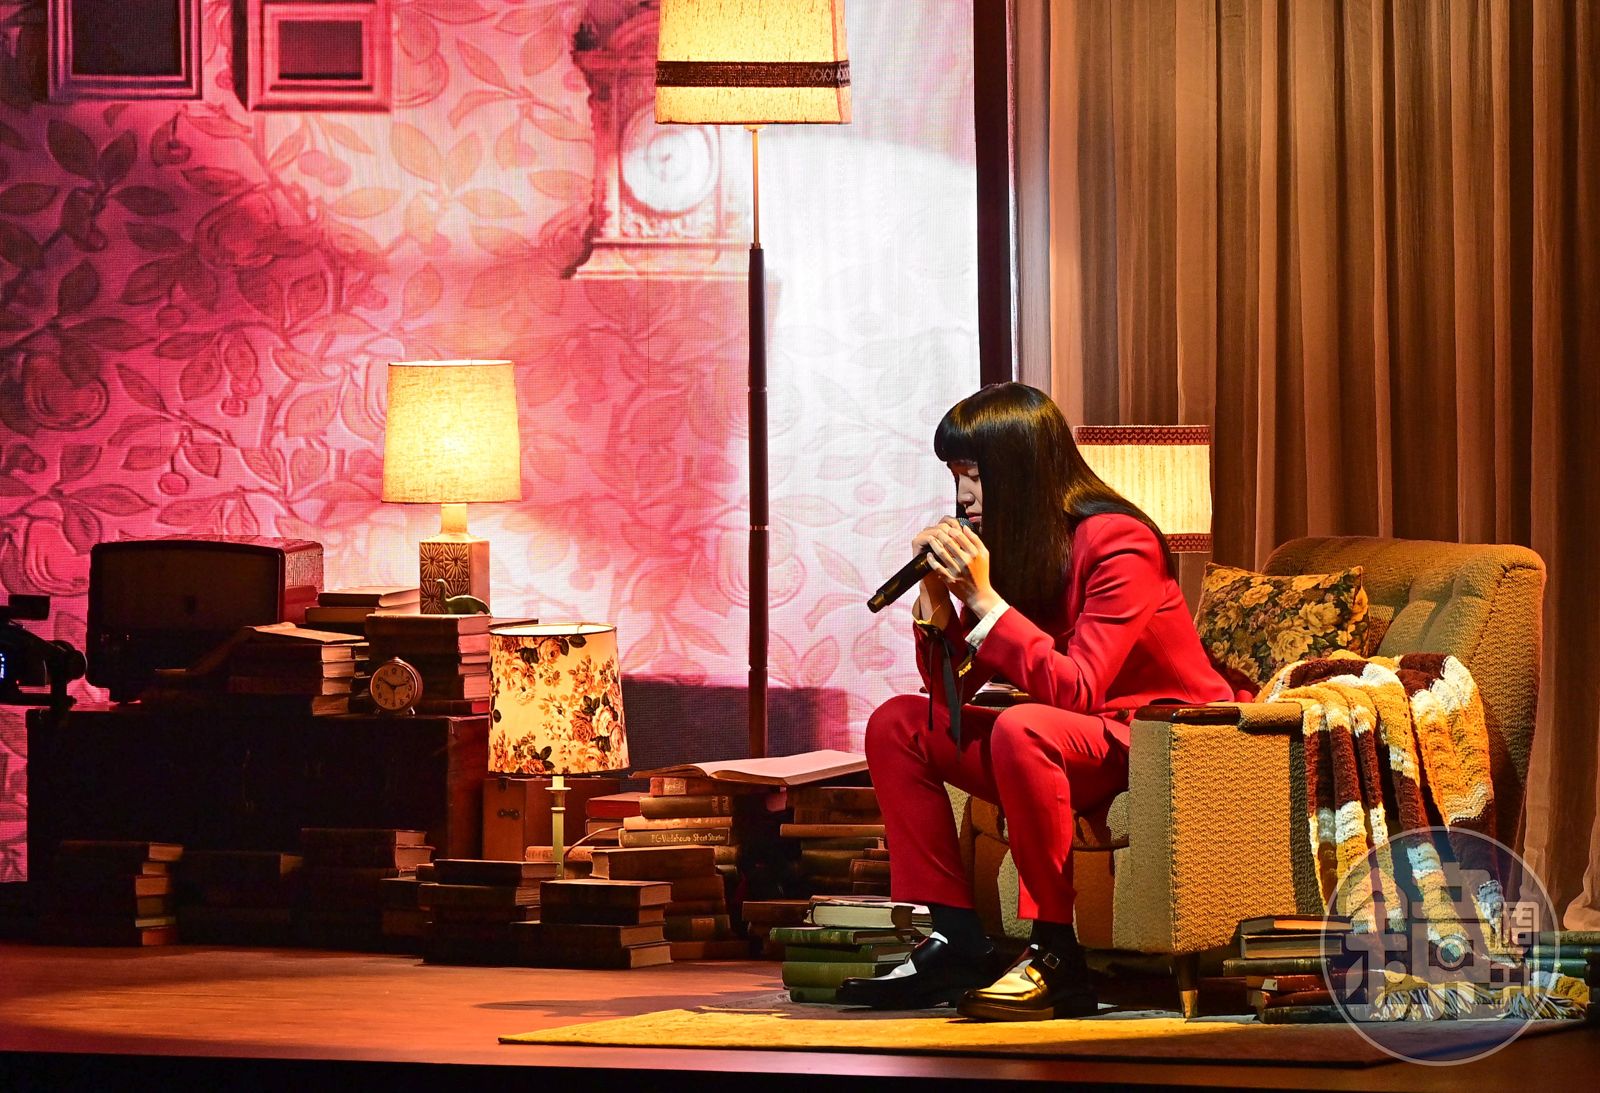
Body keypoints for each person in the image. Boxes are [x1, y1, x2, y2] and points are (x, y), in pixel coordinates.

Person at [837, 383, 1234, 1021]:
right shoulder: (1016, 545)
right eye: (955, 477)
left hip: (1153, 738)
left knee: (1022, 727)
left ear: (1018, 469)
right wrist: (936, 601)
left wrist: (985, 600)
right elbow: (945, 695)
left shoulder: (1119, 542)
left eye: (974, 475)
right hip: (1063, 739)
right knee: (897, 724)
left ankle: (1055, 954)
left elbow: (1080, 688)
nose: (963, 497)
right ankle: (957, 941)